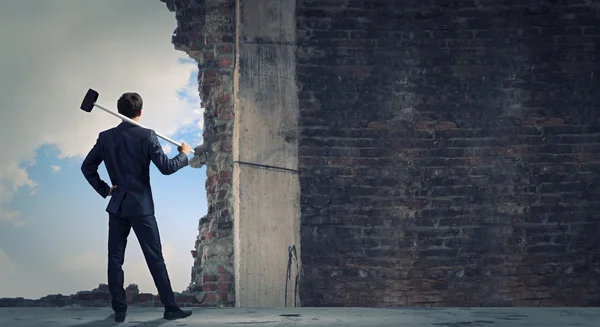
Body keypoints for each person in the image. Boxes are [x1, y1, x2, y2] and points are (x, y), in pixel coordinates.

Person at [81, 92, 193, 323]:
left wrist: (104, 189)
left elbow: (86, 167)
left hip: (118, 206)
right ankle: (170, 308)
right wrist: (183, 155)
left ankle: (119, 310)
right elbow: (167, 167)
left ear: (119, 111)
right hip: (141, 207)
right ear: (140, 112)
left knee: (115, 259)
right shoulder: (147, 135)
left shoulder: (106, 137)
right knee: (155, 258)